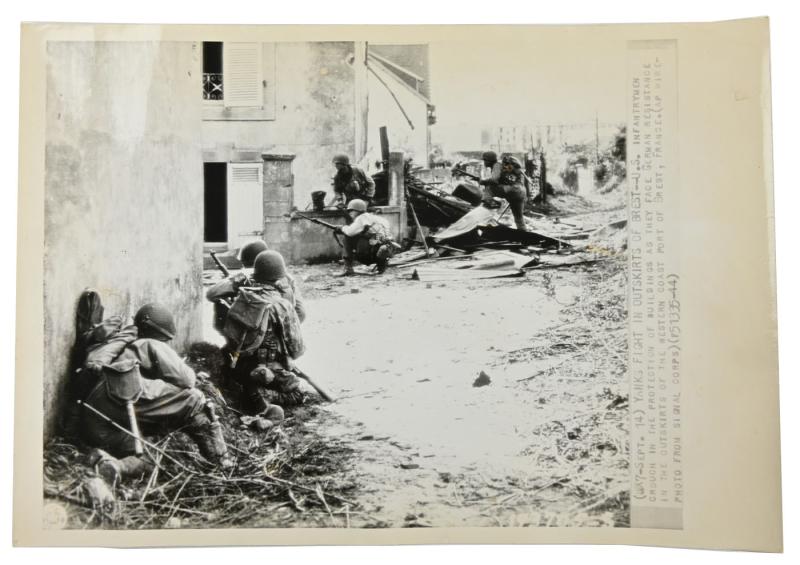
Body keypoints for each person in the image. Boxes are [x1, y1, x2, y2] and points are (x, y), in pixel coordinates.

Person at [78, 302, 233, 483]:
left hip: (96, 425)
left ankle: (112, 465)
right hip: (119, 398)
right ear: (161, 334)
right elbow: (187, 380)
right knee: (194, 399)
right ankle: (221, 463)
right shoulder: (149, 343)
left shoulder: (119, 347)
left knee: (150, 455)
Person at [219, 250, 308, 414]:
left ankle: (250, 385)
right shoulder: (282, 304)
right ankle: (262, 394)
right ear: (279, 276)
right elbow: (296, 348)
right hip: (266, 364)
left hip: (236, 360)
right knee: (299, 391)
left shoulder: (242, 294)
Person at [334, 199, 396, 276]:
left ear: (358, 210)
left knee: (347, 237)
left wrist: (342, 228)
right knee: (379, 241)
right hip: (385, 252)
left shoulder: (361, 218)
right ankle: (381, 267)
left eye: (351, 210)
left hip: (367, 255)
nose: (350, 213)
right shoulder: (380, 219)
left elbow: (350, 232)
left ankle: (348, 268)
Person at [478, 152, 528, 231]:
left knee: (488, 188)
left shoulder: (497, 165)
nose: (484, 162)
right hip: (520, 192)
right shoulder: (507, 167)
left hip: (511, 190)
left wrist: (483, 181)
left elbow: (494, 180)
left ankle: (495, 205)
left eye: (485, 160)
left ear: (489, 161)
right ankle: (525, 235)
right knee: (519, 218)